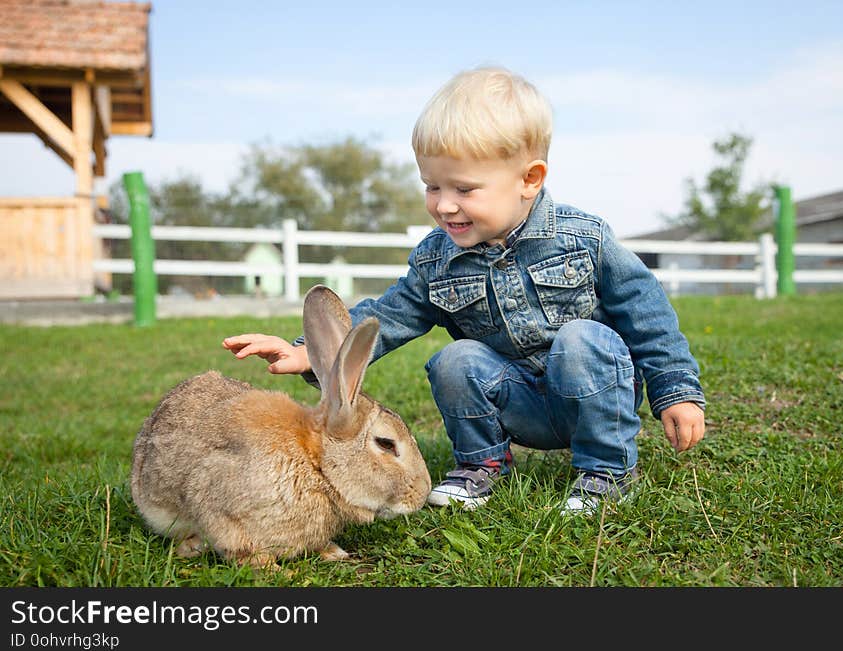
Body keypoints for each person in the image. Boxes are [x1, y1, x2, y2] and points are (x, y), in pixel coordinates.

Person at [222, 66, 706, 516]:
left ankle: (606, 470)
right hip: (517, 401)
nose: (444, 205)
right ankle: (483, 464)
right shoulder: (437, 259)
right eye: (432, 186)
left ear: (529, 180)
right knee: (457, 359)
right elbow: (389, 315)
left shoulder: (584, 238)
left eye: (465, 189)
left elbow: (646, 311)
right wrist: (307, 353)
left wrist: (675, 392)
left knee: (583, 338)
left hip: (591, 392)